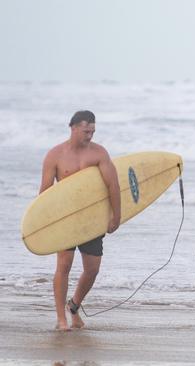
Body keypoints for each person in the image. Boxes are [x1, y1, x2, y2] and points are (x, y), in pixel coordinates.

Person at [39, 110, 121, 331]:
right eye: (86, 131)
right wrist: (43, 223)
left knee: (92, 269)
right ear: (73, 127)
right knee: (64, 265)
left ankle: (73, 306)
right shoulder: (55, 155)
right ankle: (61, 318)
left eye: (93, 131)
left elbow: (113, 185)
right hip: (65, 218)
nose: (90, 135)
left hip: (91, 219)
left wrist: (116, 215)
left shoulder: (99, 154)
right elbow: (45, 193)